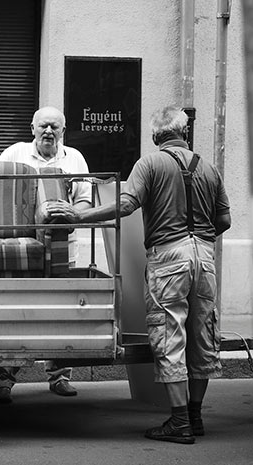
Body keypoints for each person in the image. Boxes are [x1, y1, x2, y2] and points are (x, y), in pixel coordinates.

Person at [47, 105, 231, 444]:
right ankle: (195, 416)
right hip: (204, 257)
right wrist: (198, 238)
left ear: (155, 137)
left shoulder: (149, 163)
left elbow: (126, 204)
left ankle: (179, 423)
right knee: (203, 336)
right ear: (184, 134)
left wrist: (78, 216)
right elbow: (224, 221)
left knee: (170, 335)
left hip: (168, 257)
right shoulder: (208, 167)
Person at [0, 106, 93, 404]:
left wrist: (71, 213)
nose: (49, 132)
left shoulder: (74, 158)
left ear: (64, 131)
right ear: (32, 128)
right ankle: (3, 382)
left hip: (63, 249)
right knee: (11, 311)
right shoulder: (14, 154)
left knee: (61, 311)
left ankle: (60, 377)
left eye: (55, 127)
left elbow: (85, 202)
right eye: (44, 126)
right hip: (20, 251)